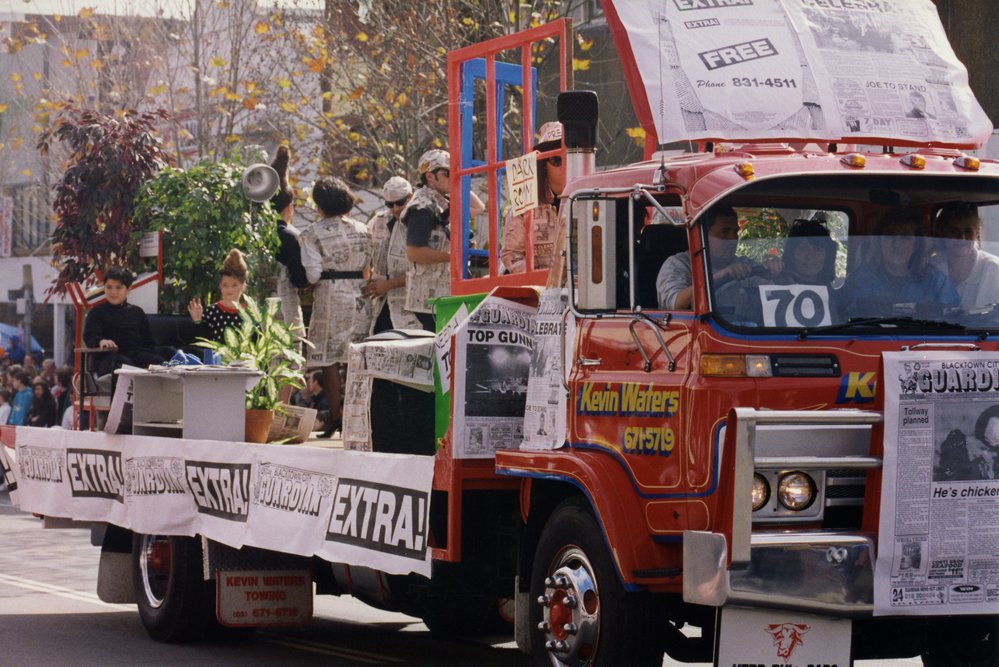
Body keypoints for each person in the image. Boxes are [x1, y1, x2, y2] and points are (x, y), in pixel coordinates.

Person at [300, 175, 372, 435]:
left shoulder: (311, 233)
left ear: (319, 204)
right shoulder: (364, 229)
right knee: (354, 357)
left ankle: (335, 414)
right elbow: (368, 268)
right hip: (360, 294)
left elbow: (312, 275)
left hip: (331, 295)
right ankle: (354, 416)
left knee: (328, 359)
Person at [840, 210, 959, 319]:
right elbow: (845, 320)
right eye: (889, 236)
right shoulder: (860, 280)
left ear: (916, 245)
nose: (896, 244)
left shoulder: (936, 282)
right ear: (878, 242)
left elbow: (954, 318)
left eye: (905, 237)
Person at [656, 206, 756, 309]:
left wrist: (771, 269)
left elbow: (765, 285)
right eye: (724, 232)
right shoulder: (677, 264)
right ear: (703, 236)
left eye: (735, 233)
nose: (733, 239)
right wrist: (720, 277)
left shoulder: (743, 263)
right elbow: (675, 304)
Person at [501, 121, 565, 274]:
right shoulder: (526, 202)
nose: (565, 165)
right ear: (543, 165)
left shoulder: (589, 197)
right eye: (557, 160)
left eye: (570, 157)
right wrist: (547, 279)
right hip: (539, 290)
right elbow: (512, 255)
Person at [363, 176, 422, 333]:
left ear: (410, 197)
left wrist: (390, 284)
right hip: (382, 303)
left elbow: (427, 270)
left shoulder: (422, 218)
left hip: (412, 304)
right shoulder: (378, 220)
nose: (395, 208)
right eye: (390, 204)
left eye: (400, 202)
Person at [82, 267, 166, 377]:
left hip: (135, 354)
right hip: (109, 357)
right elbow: (89, 335)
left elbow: (148, 342)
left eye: (118, 288)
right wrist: (101, 341)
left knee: (160, 363)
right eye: (109, 287)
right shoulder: (97, 312)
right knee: (125, 365)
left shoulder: (137, 312)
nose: (113, 292)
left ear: (128, 289)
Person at [404, 149, 452, 331]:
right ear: (430, 177)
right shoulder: (422, 207)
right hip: (429, 299)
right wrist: (452, 257)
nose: (453, 177)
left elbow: (477, 207)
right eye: (447, 173)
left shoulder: (439, 200)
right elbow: (414, 252)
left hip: (440, 292)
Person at [270, 144, 308, 338]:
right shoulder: (290, 236)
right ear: (289, 207)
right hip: (285, 313)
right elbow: (300, 279)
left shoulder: (252, 233)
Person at [932, 204, 999, 310]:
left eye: (968, 232)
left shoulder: (994, 268)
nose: (961, 238)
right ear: (943, 234)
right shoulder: (932, 266)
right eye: (954, 232)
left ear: (977, 234)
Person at [188, 249, 249, 343]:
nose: (229, 289)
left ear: (243, 286)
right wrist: (197, 321)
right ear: (220, 286)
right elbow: (201, 343)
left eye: (234, 285)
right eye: (225, 285)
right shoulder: (211, 312)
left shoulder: (249, 314)